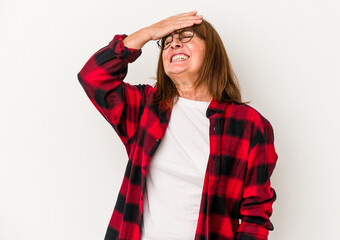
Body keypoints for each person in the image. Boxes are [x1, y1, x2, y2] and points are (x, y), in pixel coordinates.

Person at [77, 11, 278, 240]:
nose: (174, 45)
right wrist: (149, 33)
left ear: (211, 52)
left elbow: (255, 215)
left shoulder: (248, 124)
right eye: (167, 42)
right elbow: (93, 77)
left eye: (186, 37)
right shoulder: (146, 107)